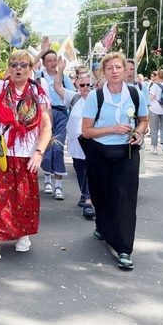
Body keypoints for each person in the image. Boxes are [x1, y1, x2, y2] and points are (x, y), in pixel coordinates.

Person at [0, 50, 52, 260]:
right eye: (14, 64)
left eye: (23, 65)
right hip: (1, 154)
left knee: (25, 197)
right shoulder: (0, 87)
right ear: (8, 68)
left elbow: (46, 126)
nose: (18, 68)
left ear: (30, 69)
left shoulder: (39, 91)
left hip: (27, 155)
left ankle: (23, 234)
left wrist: (39, 152)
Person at [80, 52, 148, 270]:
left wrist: (138, 132)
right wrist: (113, 129)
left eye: (118, 67)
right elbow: (86, 131)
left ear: (126, 70)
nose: (115, 71)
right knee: (101, 195)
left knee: (124, 199)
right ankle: (103, 225)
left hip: (127, 152)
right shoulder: (95, 97)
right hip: (99, 152)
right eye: (110, 68)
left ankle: (124, 249)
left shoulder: (136, 94)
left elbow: (144, 120)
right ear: (103, 72)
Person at [52, 60, 96, 218]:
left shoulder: (98, 99)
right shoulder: (74, 98)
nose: (86, 88)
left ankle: (89, 200)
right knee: (80, 170)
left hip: (93, 142)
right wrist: (60, 71)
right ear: (78, 86)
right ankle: (84, 194)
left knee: (91, 171)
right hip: (76, 143)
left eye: (89, 85)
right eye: (82, 85)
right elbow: (57, 87)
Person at [36, 37, 75, 199]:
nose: (52, 63)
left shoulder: (64, 78)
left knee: (58, 148)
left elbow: (73, 97)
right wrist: (42, 52)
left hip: (60, 114)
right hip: (44, 114)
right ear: (44, 63)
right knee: (46, 147)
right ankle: (47, 179)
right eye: (49, 60)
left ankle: (58, 184)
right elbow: (29, 65)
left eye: (54, 60)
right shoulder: (39, 75)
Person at [148, 69, 163, 154]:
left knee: (154, 128)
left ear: (158, 76)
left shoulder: (155, 86)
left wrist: (146, 104)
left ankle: (154, 148)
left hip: (155, 109)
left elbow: (151, 98)